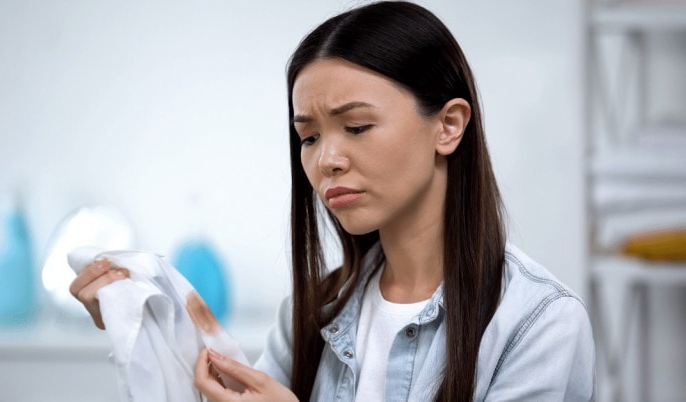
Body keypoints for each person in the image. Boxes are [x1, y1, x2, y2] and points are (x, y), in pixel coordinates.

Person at [70, 1, 596, 401]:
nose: (326, 160)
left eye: (357, 126)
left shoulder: (540, 323)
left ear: (449, 126)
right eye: (309, 137)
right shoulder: (315, 311)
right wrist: (139, 320)